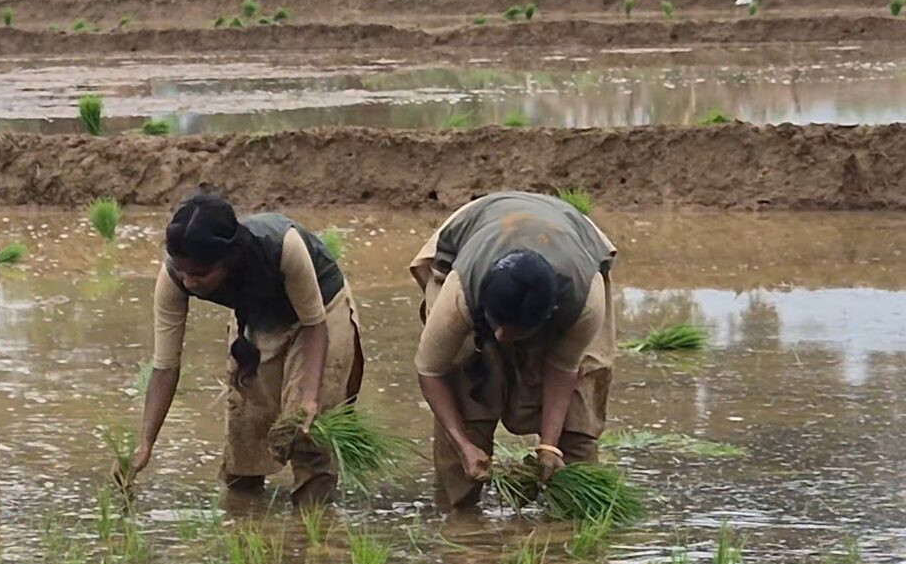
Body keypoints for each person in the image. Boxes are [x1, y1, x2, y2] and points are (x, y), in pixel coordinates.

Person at [133, 189, 366, 506]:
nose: (188, 282)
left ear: (228, 260)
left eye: (200, 274)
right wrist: (145, 444)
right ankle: (244, 519)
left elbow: (314, 325)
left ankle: (313, 521)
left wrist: (310, 398)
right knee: (245, 431)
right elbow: (165, 366)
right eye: (182, 271)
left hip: (321, 311)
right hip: (257, 317)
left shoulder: (283, 246)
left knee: (307, 432)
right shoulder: (175, 275)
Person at [409, 191, 619, 511]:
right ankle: (460, 521)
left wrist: (549, 446)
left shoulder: (584, 301)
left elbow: (563, 368)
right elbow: (430, 371)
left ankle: (572, 519)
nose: (502, 337)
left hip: (574, 240)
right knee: (465, 392)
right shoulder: (461, 292)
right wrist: (463, 444)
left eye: (516, 332)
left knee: (579, 415)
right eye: (498, 326)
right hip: (474, 231)